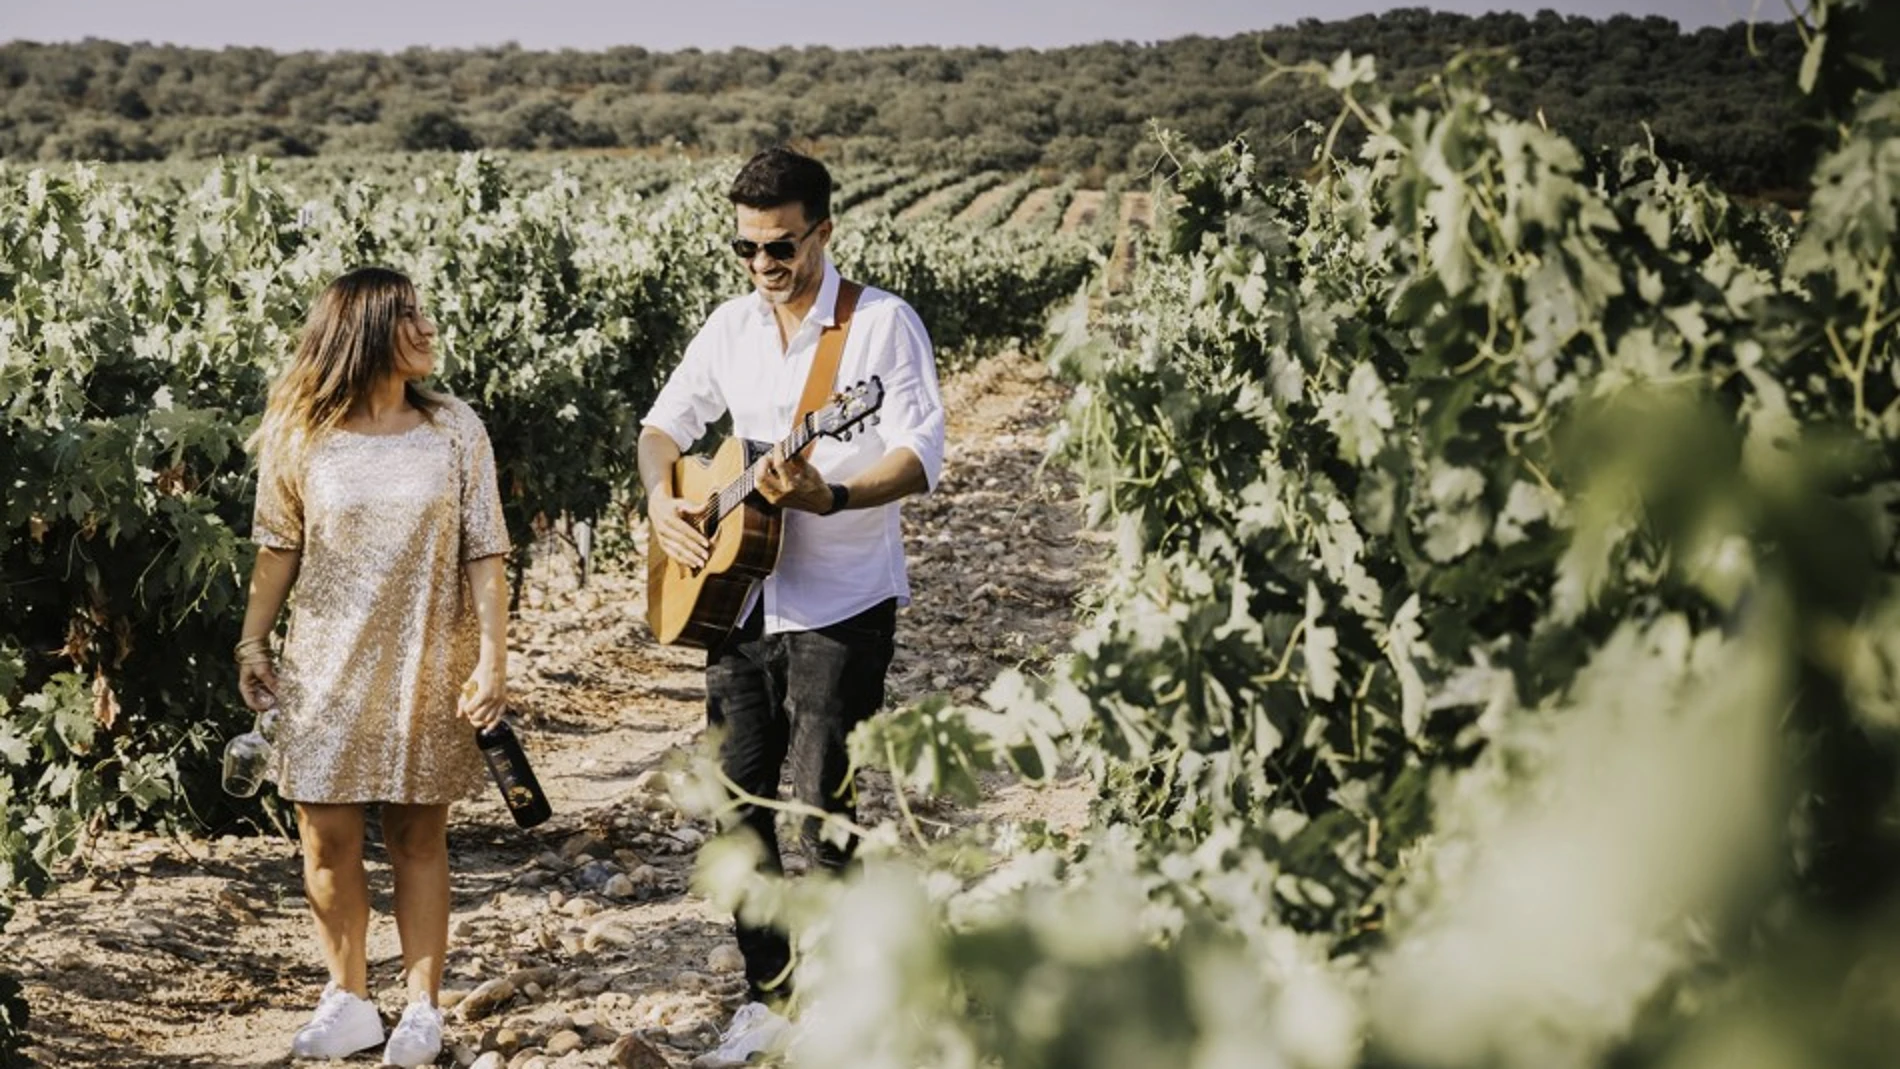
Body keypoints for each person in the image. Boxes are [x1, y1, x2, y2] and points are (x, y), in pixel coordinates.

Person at [639, 146, 946, 1068]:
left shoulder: (881, 327)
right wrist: (663, 497)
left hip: (841, 602)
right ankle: (770, 999)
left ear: (823, 230)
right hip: (738, 605)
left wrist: (832, 495)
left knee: (821, 807)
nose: (763, 266)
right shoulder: (731, 326)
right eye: (747, 249)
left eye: (780, 247)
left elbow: (920, 452)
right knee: (740, 811)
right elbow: (664, 427)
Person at [235, 266, 512, 1066]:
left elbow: (485, 550)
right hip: (324, 663)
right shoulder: (301, 430)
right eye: (410, 317)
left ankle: (422, 1007)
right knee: (323, 836)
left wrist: (494, 656)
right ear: (365, 331)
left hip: (431, 655)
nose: (427, 328)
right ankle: (350, 997)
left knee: (418, 832)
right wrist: (252, 641)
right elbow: (277, 546)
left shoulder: (456, 427)